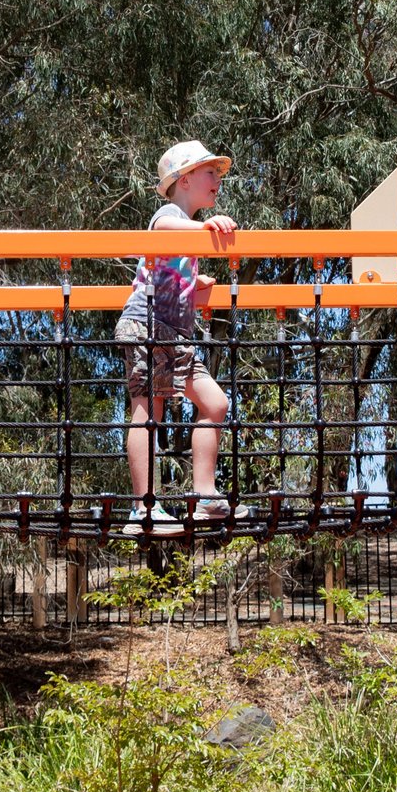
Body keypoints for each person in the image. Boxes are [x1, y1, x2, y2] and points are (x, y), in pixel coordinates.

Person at [116, 140, 238, 527]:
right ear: (184, 181)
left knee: (215, 404)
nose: (217, 179)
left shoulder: (189, 236)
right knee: (147, 412)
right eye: (209, 172)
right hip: (147, 326)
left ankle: (205, 495)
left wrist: (196, 284)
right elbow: (160, 228)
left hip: (176, 335)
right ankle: (144, 505)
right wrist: (203, 228)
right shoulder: (172, 216)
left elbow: (173, 276)